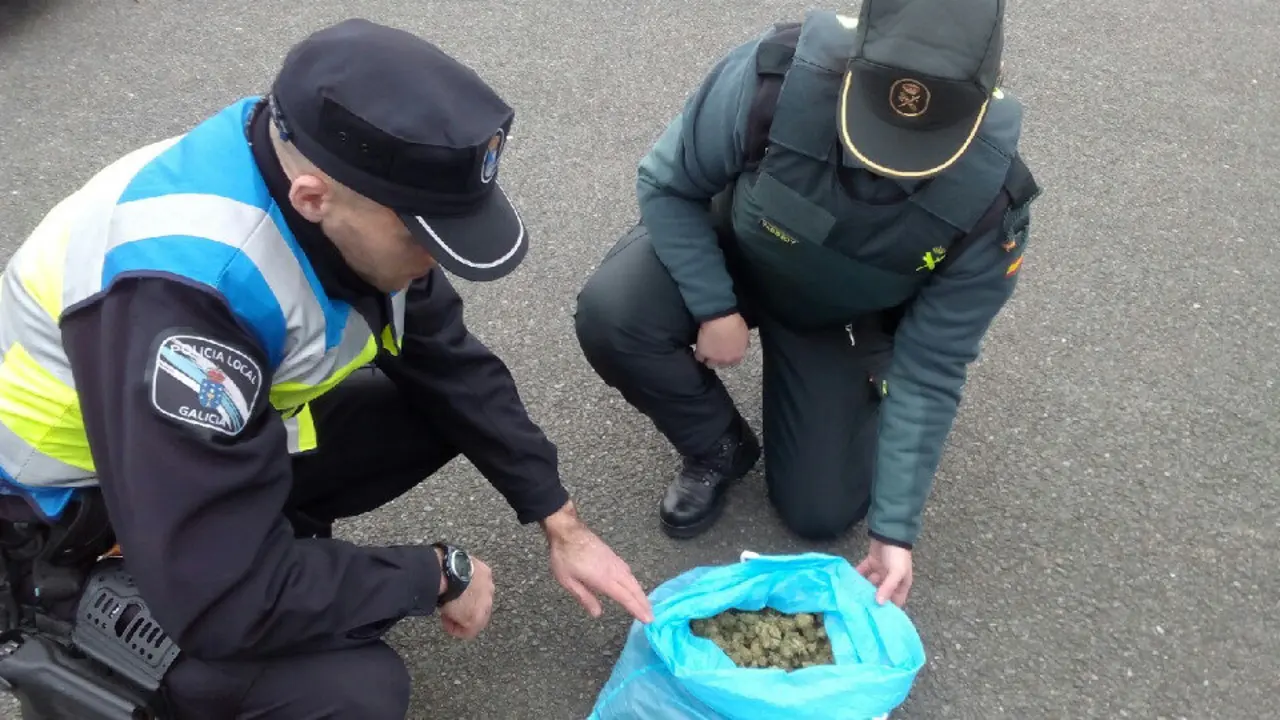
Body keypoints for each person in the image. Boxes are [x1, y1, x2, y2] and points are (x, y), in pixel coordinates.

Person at [0, 18, 652, 719]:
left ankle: (274, 549)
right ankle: (68, 644)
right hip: (63, 523)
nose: (436, 262)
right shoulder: (186, 300)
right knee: (357, 693)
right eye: (421, 237)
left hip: (174, 454)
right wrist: (435, 574)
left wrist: (561, 520)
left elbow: (451, 363)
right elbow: (220, 596)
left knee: (438, 414)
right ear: (313, 198)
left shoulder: (327, 171)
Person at [574, 0, 1040, 608]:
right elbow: (668, 184)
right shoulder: (775, 76)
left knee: (819, 513)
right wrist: (714, 306)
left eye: (920, 148)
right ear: (856, 59)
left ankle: (850, 392)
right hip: (737, 252)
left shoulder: (991, 200)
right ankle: (717, 444)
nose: (888, 165)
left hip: (840, 322)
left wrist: (895, 531)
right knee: (613, 315)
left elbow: (932, 366)